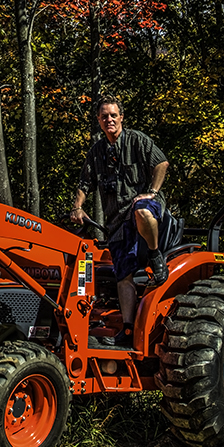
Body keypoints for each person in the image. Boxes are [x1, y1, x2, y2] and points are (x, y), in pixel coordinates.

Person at [70, 95, 169, 348]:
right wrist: (77, 207)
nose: (109, 120)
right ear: (99, 121)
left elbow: (161, 162)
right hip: (117, 222)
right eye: (104, 116)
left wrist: (153, 193)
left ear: (121, 117)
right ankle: (127, 329)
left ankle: (156, 255)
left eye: (113, 115)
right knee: (123, 275)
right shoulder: (97, 153)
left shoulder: (137, 140)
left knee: (141, 210)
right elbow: (84, 183)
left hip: (144, 207)